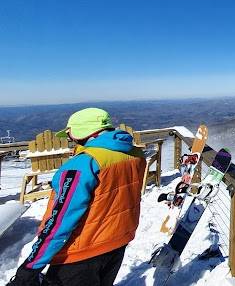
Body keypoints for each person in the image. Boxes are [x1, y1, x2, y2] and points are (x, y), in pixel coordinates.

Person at [8, 108, 146, 286]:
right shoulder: (135, 155)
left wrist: (30, 267)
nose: (70, 139)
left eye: (70, 134)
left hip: (80, 254)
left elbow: (60, 221)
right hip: (117, 242)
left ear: (84, 132)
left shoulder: (83, 164)